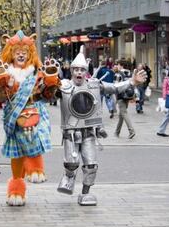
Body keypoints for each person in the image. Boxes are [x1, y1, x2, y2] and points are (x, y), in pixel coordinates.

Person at [57, 46, 146, 206]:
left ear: (86, 71)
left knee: (91, 164)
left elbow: (115, 87)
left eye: (82, 70)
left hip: (89, 131)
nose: (78, 73)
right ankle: (68, 177)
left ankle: (85, 193)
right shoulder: (63, 86)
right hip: (71, 131)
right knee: (72, 162)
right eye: (76, 69)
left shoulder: (94, 85)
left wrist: (132, 81)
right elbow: (47, 92)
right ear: (71, 71)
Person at [0, 30, 60, 206]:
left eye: (24, 50)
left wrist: (51, 81)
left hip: (35, 112)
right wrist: (1, 83)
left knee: (35, 137)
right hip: (14, 116)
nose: (20, 53)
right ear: (10, 52)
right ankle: (16, 188)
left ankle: (35, 166)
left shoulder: (37, 72)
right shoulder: (5, 72)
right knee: (17, 153)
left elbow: (48, 96)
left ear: (30, 53)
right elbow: (0, 99)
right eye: (16, 50)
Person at [114, 64, 136, 139]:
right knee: (121, 115)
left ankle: (131, 131)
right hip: (127, 96)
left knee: (124, 114)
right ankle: (117, 132)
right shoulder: (128, 74)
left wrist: (116, 98)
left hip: (121, 96)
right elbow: (132, 84)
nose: (116, 66)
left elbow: (116, 86)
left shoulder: (118, 74)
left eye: (117, 65)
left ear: (120, 66)